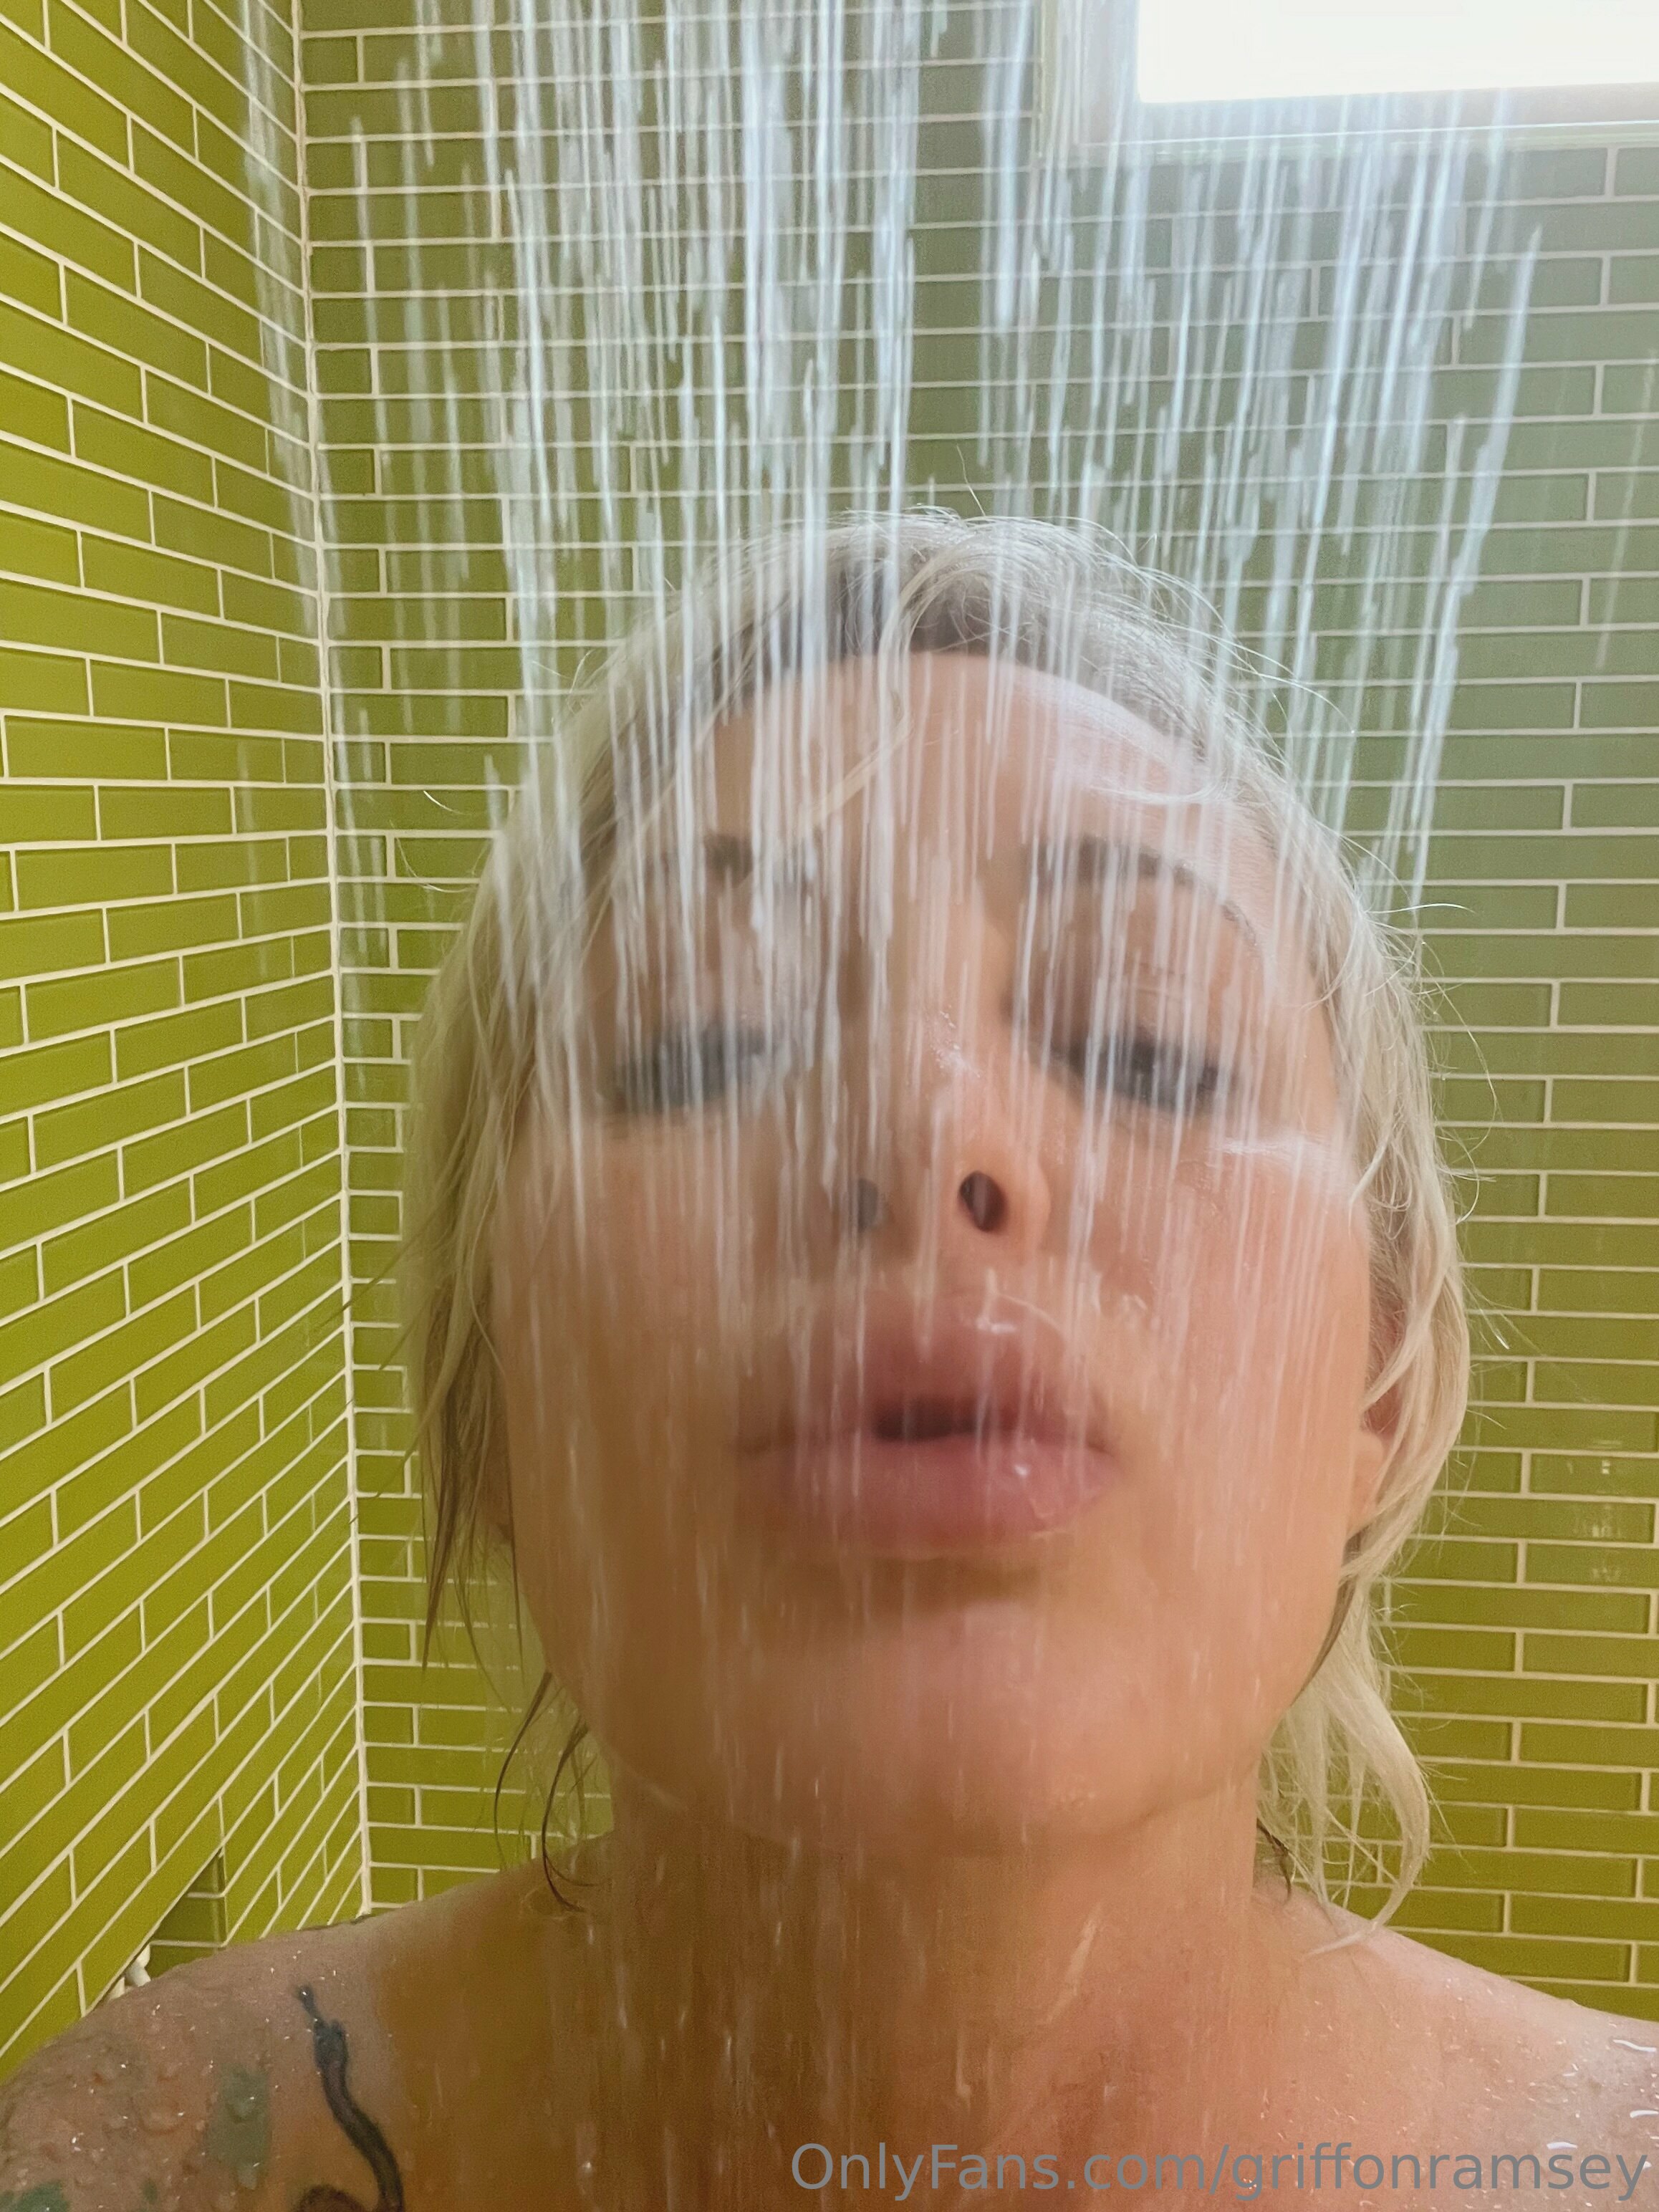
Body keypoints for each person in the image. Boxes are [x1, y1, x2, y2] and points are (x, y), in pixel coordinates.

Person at [4, 511, 1655, 2211]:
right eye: (706, 1038)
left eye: (1149, 1043)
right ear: (498, 1395)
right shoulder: (144, 2160)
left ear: (1380, 1385)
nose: (931, 1130)